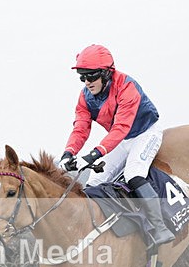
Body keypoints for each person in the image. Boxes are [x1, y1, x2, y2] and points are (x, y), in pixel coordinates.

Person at [58, 44, 174, 247]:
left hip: (145, 132)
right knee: (92, 184)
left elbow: (121, 127)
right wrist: (68, 152)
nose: (87, 82)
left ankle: (160, 227)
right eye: (82, 77)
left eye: (91, 76)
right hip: (122, 140)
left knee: (134, 174)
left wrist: (94, 154)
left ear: (106, 73)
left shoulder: (127, 87)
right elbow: (81, 127)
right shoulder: (85, 96)